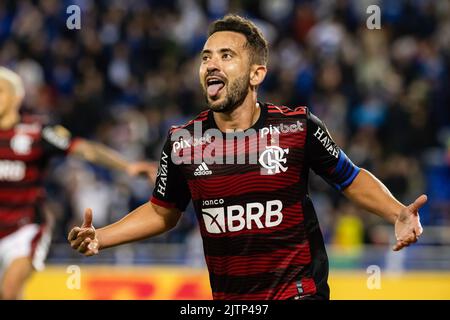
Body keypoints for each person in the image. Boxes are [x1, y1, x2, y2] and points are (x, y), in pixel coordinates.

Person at [68, 15, 426, 300]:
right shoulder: (182, 142)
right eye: (206, 56)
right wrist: (102, 236)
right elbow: (163, 212)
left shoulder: (297, 127)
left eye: (227, 56)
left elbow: (349, 178)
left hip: (299, 291)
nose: (211, 64)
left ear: (257, 74)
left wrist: (397, 211)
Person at [0, 66, 156, 299]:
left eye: (1, 91)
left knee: (8, 291)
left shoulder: (38, 131)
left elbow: (85, 150)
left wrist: (127, 166)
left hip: (24, 228)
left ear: (17, 96)